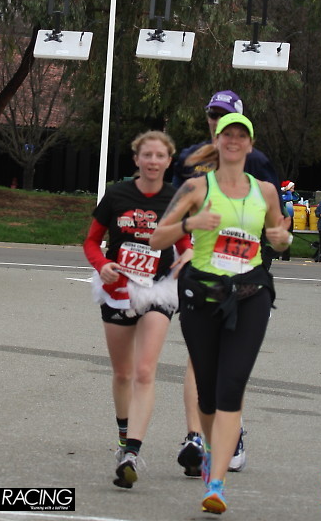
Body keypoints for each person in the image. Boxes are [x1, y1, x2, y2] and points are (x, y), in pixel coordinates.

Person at [150, 113, 291, 514]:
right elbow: (157, 237)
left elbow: (280, 239)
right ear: (217, 140)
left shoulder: (265, 191)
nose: (233, 140)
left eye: (241, 135)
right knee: (208, 393)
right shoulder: (196, 187)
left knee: (231, 387)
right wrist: (191, 223)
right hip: (202, 293)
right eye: (227, 133)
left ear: (250, 144)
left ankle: (216, 483)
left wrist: (281, 238)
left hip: (250, 294)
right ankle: (212, 450)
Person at [171, 89, 282, 477]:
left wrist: (269, 249)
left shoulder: (258, 163)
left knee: (232, 364)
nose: (219, 123)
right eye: (213, 116)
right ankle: (196, 437)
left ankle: (232, 434)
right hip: (201, 270)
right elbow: (175, 212)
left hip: (247, 277)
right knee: (199, 359)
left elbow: (270, 216)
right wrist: (184, 248)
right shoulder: (190, 159)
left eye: (226, 117)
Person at [82, 130, 191, 489]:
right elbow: (91, 241)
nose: (153, 161)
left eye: (160, 156)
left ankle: (132, 452)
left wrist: (188, 256)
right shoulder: (116, 195)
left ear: (168, 161)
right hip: (118, 288)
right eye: (147, 155)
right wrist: (102, 265)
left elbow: (185, 242)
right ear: (136, 159)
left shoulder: (175, 198)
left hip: (158, 289)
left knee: (145, 370)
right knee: (123, 373)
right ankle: (122, 435)